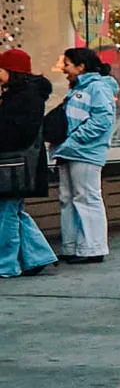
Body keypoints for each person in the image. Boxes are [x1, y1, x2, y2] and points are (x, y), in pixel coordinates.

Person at [49, 47, 117, 263]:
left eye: (67, 64)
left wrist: (75, 139)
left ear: (81, 67)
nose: (63, 69)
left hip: (84, 151)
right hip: (72, 150)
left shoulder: (96, 87)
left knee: (86, 197)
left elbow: (103, 119)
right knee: (69, 198)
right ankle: (74, 246)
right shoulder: (81, 87)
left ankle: (92, 247)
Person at [0, 50, 56, 279]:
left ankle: (6, 264)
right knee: (13, 211)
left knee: (7, 214)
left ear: (12, 71)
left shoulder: (24, 97)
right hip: (18, 165)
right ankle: (38, 256)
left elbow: (14, 131)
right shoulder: (24, 94)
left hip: (13, 165)